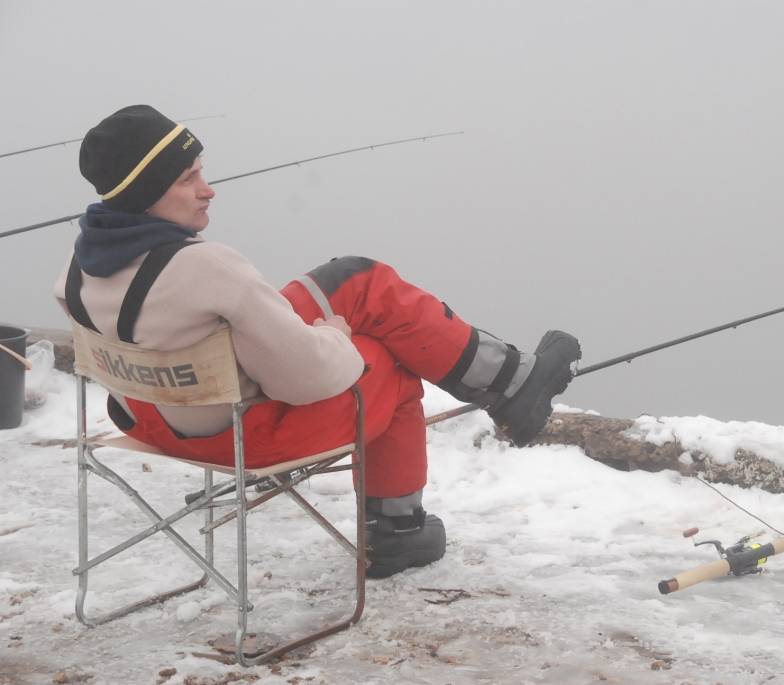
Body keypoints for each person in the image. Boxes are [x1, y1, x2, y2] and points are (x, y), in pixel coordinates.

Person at [54, 105, 581, 578]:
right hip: (241, 434)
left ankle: (508, 380)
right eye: (188, 179)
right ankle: (398, 530)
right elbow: (308, 381)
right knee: (389, 362)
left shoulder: (76, 275)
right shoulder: (208, 269)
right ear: (146, 194)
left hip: (159, 421)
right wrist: (332, 337)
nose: (207, 189)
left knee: (357, 281)